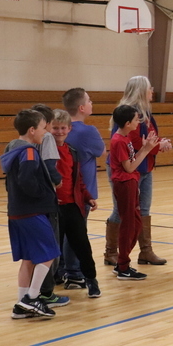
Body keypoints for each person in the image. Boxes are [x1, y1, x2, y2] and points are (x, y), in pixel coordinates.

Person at [104, 76, 172, 266]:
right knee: (121, 209)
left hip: (145, 166)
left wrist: (160, 143)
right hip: (127, 169)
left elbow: (148, 140)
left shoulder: (145, 113)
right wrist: (158, 146)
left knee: (144, 208)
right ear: (142, 90)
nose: (153, 92)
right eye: (150, 89)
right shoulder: (129, 114)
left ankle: (146, 251)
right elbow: (134, 144)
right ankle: (111, 252)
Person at [0, 109, 60, 319]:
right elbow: (27, 181)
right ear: (32, 130)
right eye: (44, 128)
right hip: (31, 211)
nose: (47, 132)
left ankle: (20, 304)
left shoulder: (12, 149)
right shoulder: (29, 152)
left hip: (16, 212)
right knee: (50, 253)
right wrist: (43, 195)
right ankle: (32, 298)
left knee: (29, 259)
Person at [49, 109, 101, 297]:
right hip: (53, 209)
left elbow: (77, 180)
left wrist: (87, 196)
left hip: (72, 206)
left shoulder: (72, 151)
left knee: (82, 245)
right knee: (53, 248)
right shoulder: (44, 151)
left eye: (63, 128)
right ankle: (49, 284)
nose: (59, 132)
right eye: (55, 128)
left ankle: (91, 280)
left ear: (69, 129)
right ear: (48, 128)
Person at [59, 87, 105, 288]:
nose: (91, 103)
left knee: (61, 232)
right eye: (89, 100)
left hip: (61, 191)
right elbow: (101, 151)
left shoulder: (58, 128)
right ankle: (75, 273)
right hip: (79, 190)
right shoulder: (88, 131)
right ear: (81, 107)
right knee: (76, 234)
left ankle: (59, 271)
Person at [109, 104, 159, 280]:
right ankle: (123, 266)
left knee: (136, 224)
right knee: (129, 225)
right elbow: (129, 167)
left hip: (130, 183)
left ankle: (122, 262)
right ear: (128, 122)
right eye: (136, 119)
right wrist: (146, 150)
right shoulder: (119, 141)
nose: (139, 121)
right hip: (124, 184)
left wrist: (145, 147)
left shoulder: (126, 137)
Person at [29, 104, 69, 309]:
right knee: (50, 248)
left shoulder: (18, 143)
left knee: (32, 251)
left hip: (27, 203)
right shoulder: (47, 139)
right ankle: (46, 292)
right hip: (45, 200)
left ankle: (29, 292)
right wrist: (57, 181)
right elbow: (51, 167)